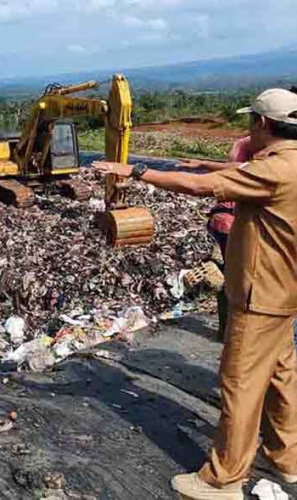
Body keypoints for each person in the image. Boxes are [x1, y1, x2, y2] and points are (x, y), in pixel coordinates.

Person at [93, 88, 297, 499]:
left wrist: (135, 173)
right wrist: (202, 162)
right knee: (280, 375)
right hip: (286, 292)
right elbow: (229, 174)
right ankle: (287, 457)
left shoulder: (276, 171)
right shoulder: (287, 163)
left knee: (239, 382)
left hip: (260, 295)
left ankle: (223, 480)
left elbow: (202, 187)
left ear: (260, 124)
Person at [178, 136, 254, 341]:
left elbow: (236, 167)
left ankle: (228, 329)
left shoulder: (252, 144)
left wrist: (203, 164)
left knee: (233, 277)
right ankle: (231, 331)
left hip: (229, 220)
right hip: (232, 221)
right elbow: (237, 168)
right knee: (238, 278)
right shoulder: (254, 145)